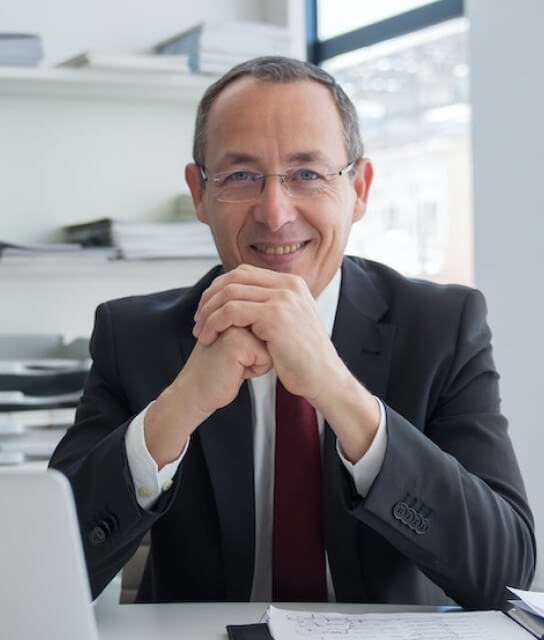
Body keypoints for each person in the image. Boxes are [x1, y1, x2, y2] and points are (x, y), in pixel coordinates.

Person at [50, 56, 535, 609]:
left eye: (307, 174)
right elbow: (46, 572)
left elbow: (505, 574)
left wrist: (337, 389)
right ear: (200, 194)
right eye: (240, 176)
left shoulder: (442, 327)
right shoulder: (135, 337)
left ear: (359, 189)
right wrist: (179, 407)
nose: (275, 213)